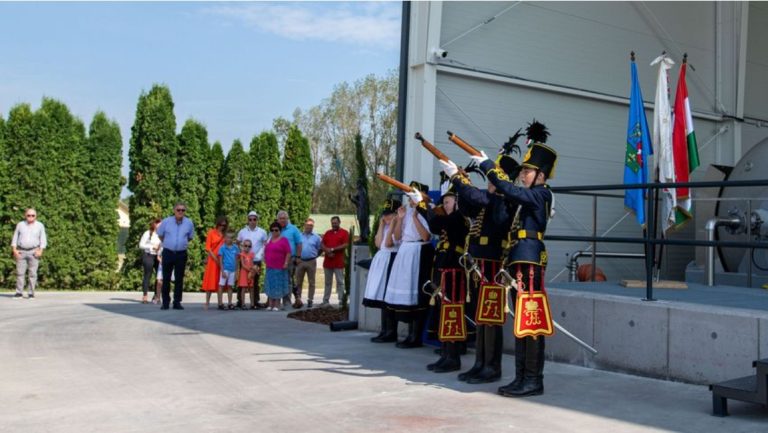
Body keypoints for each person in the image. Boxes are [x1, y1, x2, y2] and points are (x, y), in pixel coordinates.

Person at [472, 120, 557, 398]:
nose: (523, 175)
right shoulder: (528, 195)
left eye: (528, 170)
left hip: (530, 259)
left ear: (541, 175)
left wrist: (488, 166)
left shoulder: (540, 194)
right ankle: (522, 377)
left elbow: (513, 191)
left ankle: (533, 378)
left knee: (531, 322)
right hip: (519, 259)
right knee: (523, 320)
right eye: (523, 171)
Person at [440, 133, 521, 385]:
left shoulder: (505, 200)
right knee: (481, 316)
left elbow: (477, 198)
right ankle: (480, 363)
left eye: (494, 175)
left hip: (494, 264)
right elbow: (467, 206)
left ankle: (492, 366)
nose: (489, 179)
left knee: (492, 318)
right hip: (479, 265)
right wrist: (461, 182)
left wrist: (457, 177)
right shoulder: (490, 198)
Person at [419, 183, 470, 373]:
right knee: (444, 312)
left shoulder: (460, 218)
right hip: (444, 268)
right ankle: (446, 354)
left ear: (457, 202)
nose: (445, 205)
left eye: (448, 202)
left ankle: (453, 357)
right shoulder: (450, 218)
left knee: (453, 313)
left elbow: (435, 224)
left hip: (454, 270)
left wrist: (421, 205)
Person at [382, 182, 434, 349]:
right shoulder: (407, 210)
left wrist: (414, 217)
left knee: (417, 294)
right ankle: (408, 333)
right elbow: (397, 237)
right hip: (405, 251)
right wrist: (400, 220)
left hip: (419, 251)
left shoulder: (427, 209)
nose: (410, 199)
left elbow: (426, 236)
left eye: (413, 195)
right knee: (406, 295)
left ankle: (416, 336)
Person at [363, 198, 400, 343]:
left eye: (389, 214)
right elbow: (378, 243)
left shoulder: (397, 227)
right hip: (382, 259)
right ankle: (384, 329)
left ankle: (391, 331)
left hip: (392, 258)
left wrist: (393, 223)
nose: (386, 217)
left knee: (388, 296)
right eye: (384, 214)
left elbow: (389, 243)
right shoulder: (384, 226)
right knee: (381, 297)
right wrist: (381, 225)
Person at [156, 201, 195, 310]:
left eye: (183, 210)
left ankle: (177, 302)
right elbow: (160, 235)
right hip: (168, 252)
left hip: (181, 254)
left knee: (179, 279)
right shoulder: (166, 221)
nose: (180, 212)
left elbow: (190, 237)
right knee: (166, 278)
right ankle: (165, 302)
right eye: (178, 210)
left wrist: (180, 244)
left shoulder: (189, 223)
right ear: (174, 210)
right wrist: (169, 243)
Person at [11, 208, 47, 299]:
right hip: (21, 251)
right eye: (29, 215)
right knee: (20, 273)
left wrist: (40, 251)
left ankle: (31, 293)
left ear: (36, 216)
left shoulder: (40, 225)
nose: (31, 217)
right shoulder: (20, 225)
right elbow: (15, 237)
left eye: (33, 215)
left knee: (33, 274)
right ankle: (19, 293)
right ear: (25, 215)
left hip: (34, 252)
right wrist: (14, 250)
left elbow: (43, 239)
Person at [237, 211, 268, 308]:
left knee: (255, 282)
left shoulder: (262, 232)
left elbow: (265, 244)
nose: (252, 221)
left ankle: (255, 302)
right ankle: (240, 301)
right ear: (247, 220)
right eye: (250, 219)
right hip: (245, 259)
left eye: (254, 219)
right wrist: (242, 252)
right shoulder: (242, 231)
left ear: (257, 220)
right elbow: (238, 242)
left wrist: (261, 254)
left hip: (256, 259)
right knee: (242, 282)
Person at [320, 216, 350, 306]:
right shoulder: (327, 233)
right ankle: (325, 300)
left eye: (335, 223)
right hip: (328, 262)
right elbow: (322, 244)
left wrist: (332, 249)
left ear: (339, 222)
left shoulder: (344, 233)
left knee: (340, 282)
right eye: (332, 223)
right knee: (327, 282)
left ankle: (341, 300)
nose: (334, 224)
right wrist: (327, 251)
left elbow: (345, 244)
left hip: (339, 262)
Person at [276, 210, 303, 308]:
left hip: (290, 259)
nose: (282, 220)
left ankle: (287, 302)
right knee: (278, 280)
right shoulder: (275, 229)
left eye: (284, 218)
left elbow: (299, 243)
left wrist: (298, 257)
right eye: (280, 218)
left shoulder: (293, 229)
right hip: (277, 259)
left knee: (288, 280)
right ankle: (276, 302)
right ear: (277, 219)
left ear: (287, 219)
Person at [263, 221, 292, 311]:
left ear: (280, 230)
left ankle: (277, 305)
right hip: (270, 266)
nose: (274, 232)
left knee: (278, 286)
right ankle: (270, 304)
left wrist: (286, 263)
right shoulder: (269, 239)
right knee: (270, 285)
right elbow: (265, 251)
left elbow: (288, 253)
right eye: (272, 230)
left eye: (276, 230)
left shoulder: (284, 240)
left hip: (280, 267)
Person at [201, 216, 228, 309]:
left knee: (219, 281)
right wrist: (215, 259)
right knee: (210, 281)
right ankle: (207, 302)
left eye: (224, 225)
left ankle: (220, 303)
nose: (222, 227)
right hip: (212, 261)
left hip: (223, 259)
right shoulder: (211, 232)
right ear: (217, 223)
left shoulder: (225, 235)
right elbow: (208, 248)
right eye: (221, 224)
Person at [296, 218, 322, 308]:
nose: (309, 227)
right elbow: (296, 247)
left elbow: (320, 248)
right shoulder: (299, 236)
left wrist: (315, 256)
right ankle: (298, 299)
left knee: (312, 282)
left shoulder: (317, 237)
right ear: (304, 225)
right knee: (298, 281)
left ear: (313, 226)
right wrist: (297, 258)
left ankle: (310, 300)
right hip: (301, 261)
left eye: (311, 225)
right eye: (308, 225)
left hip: (311, 261)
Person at [139, 218, 162, 304]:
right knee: (147, 275)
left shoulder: (162, 234)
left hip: (158, 257)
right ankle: (145, 296)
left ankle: (156, 296)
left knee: (159, 277)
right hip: (148, 255)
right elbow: (141, 245)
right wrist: (151, 247)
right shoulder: (147, 233)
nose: (160, 226)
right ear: (155, 224)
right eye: (159, 224)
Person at [217, 231, 239, 310]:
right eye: (228, 237)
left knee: (230, 286)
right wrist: (222, 271)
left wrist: (237, 271)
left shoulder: (235, 248)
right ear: (225, 238)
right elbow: (220, 260)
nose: (229, 239)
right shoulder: (222, 248)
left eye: (231, 238)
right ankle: (220, 303)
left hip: (232, 270)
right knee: (221, 285)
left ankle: (230, 303)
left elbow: (237, 260)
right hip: (225, 269)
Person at [237, 240, 257, 309]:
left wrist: (254, 270)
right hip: (244, 273)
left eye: (249, 246)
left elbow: (252, 263)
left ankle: (252, 304)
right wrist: (250, 270)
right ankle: (243, 304)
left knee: (251, 288)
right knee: (243, 288)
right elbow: (242, 265)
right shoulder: (242, 254)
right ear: (243, 246)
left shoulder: (251, 254)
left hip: (250, 273)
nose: (247, 247)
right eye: (245, 246)